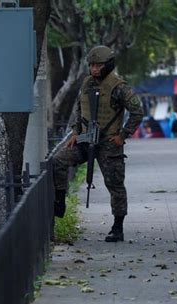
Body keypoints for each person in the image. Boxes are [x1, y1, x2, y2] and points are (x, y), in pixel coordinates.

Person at [53, 45, 144, 242]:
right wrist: (76, 132)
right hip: (85, 139)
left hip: (108, 143)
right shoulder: (86, 83)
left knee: (115, 185)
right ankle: (59, 201)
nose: (94, 69)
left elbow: (137, 112)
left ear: (108, 65)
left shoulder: (119, 86)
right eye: (92, 65)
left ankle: (117, 228)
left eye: (98, 66)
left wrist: (123, 135)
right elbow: (80, 109)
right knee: (58, 160)